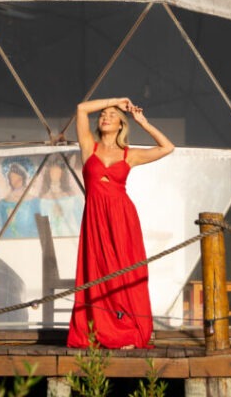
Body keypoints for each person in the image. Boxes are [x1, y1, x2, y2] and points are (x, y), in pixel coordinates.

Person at [66, 97, 174, 350]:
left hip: (123, 219)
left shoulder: (130, 154)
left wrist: (143, 122)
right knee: (98, 272)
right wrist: (116, 100)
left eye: (112, 115)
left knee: (124, 274)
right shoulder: (88, 147)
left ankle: (126, 331)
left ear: (121, 125)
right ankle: (102, 330)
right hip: (95, 219)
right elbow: (81, 108)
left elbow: (167, 147)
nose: (105, 117)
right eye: (103, 114)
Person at [38, 158, 83, 237]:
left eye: (58, 172)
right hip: (51, 239)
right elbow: (42, 224)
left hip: (71, 237)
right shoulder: (43, 199)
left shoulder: (72, 198)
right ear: (48, 173)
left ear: (62, 173)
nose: (55, 174)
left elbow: (80, 219)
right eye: (52, 172)